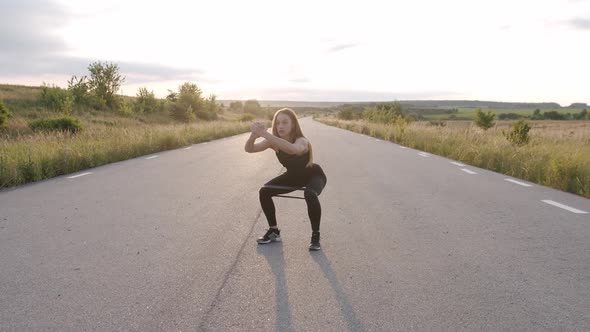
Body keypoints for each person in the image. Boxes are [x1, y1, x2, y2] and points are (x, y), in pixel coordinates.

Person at [244, 108, 327, 250]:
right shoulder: (274, 142)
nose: (280, 126)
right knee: (264, 191)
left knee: (309, 193)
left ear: (293, 125)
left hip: (313, 174)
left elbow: (292, 150)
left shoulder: (302, 141)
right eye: (277, 123)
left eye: (285, 123)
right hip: (293, 176)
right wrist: (253, 135)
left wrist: (264, 133)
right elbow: (250, 149)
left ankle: (315, 235)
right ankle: (274, 231)